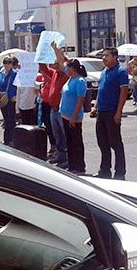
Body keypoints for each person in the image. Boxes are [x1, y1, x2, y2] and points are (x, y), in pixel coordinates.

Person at [91, 47, 129, 180]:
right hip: (101, 112)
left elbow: (124, 92)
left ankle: (120, 172)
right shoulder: (104, 71)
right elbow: (100, 91)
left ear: (115, 57)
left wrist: (119, 112)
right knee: (102, 142)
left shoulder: (121, 71)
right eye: (103, 55)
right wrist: (95, 107)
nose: (104, 58)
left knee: (116, 143)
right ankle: (104, 170)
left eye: (106, 55)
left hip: (112, 112)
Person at [54, 42, 87, 175]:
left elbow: (80, 101)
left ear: (73, 68)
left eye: (68, 68)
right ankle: (72, 165)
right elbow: (62, 63)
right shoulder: (70, 78)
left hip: (74, 117)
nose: (66, 69)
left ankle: (79, 166)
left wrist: (74, 116)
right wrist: (56, 50)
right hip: (65, 116)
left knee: (76, 142)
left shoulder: (80, 81)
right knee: (69, 142)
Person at [39, 57, 69, 166]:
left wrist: (58, 52)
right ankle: (60, 155)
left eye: (57, 64)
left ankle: (68, 158)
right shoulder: (55, 73)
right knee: (57, 134)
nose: (55, 66)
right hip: (53, 108)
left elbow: (65, 61)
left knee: (65, 134)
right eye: (54, 64)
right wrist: (41, 56)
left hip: (62, 109)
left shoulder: (66, 75)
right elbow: (44, 69)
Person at [0, 57, 18, 145]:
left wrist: (16, 96)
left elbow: (18, 85)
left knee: (11, 120)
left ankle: (12, 139)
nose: (7, 65)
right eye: (5, 63)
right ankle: (6, 139)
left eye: (9, 63)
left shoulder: (15, 73)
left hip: (11, 98)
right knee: (6, 120)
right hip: (2, 99)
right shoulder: (1, 73)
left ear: (12, 64)